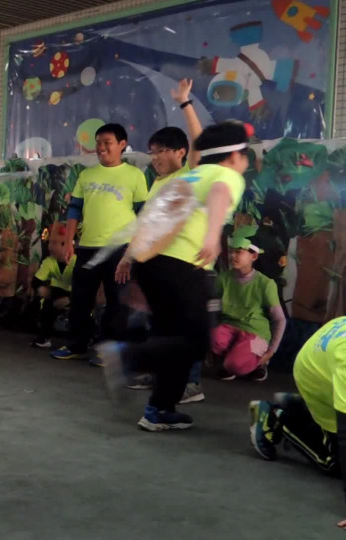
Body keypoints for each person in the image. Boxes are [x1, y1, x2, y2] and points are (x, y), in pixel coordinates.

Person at [99, 121, 250, 432]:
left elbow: (150, 219)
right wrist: (212, 237)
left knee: (173, 339)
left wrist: (132, 259)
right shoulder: (226, 176)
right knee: (196, 342)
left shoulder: (191, 176)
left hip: (153, 265)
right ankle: (127, 357)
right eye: (245, 156)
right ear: (234, 156)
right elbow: (221, 194)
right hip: (183, 265)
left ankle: (159, 410)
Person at [125, 78, 208, 403]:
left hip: (189, 266)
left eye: (161, 151)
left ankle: (191, 383)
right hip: (162, 267)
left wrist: (185, 103)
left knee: (188, 328)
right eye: (152, 152)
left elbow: (199, 144)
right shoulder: (158, 184)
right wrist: (128, 256)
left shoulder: (190, 175)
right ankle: (160, 372)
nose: (155, 157)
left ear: (180, 152)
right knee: (161, 324)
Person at [51, 123, 148, 364]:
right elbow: (74, 209)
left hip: (119, 249)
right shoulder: (87, 175)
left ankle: (108, 350)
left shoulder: (134, 175)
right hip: (87, 247)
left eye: (107, 143)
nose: (101, 148)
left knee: (117, 302)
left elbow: (142, 214)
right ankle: (76, 344)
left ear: (122, 145)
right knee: (80, 299)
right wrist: (69, 241)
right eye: (98, 143)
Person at [249, 317, 346, 530]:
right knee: (335, 463)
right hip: (314, 376)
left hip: (325, 361)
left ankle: (300, 406)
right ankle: (279, 417)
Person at [212, 229, 286, 381]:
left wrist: (271, 352)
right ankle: (235, 360)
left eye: (238, 252)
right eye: (231, 251)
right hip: (229, 327)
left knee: (235, 365)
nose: (233, 256)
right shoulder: (223, 279)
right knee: (212, 338)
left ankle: (258, 364)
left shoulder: (266, 284)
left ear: (254, 256)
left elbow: (280, 319)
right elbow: (213, 307)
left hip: (256, 333)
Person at [31, 223, 76, 349]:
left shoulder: (76, 262)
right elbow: (36, 281)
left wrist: (69, 299)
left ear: (65, 244)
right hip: (55, 293)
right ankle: (44, 337)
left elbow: (84, 287)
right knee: (46, 303)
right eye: (50, 242)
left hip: (74, 295)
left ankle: (79, 341)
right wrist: (40, 288)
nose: (50, 247)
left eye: (54, 243)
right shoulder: (49, 261)